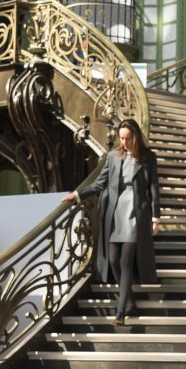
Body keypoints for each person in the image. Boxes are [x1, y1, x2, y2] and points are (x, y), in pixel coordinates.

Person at [69, 120, 160, 325]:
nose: (124, 142)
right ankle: (130, 304)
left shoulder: (148, 158)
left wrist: (156, 217)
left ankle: (121, 313)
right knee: (113, 260)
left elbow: (153, 189)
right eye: (121, 137)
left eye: (128, 138)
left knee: (126, 261)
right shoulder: (112, 156)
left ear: (136, 137)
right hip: (116, 212)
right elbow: (100, 183)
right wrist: (77, 195)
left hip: (136, 214)